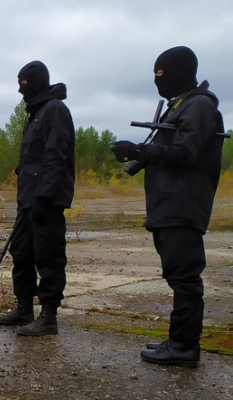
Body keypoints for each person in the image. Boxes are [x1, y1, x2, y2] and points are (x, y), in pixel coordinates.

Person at [111, 46, 225, 368]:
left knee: (186, 279)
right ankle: (178, 340)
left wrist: (141, 152)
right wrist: (139, 154)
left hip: (183, 205)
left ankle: (184, 347)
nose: (157, 81)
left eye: (161, 74)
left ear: (178, 73)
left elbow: (187, 154)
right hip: (170, 205)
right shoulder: (181, 106)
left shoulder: (199, 107)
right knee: (179, 276)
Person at [0, 60, 75, 336]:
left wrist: (45, 196)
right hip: (27, 201)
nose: (20, 90)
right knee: (22, 254)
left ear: (38, 82)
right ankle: (24, 310)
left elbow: (55, 157)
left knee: (49, 257)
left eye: (24, 84)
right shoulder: (35, 113)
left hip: (46, 202)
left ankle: (48, 317)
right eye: (18, 84)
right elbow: (32, 160)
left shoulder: (55, 111)